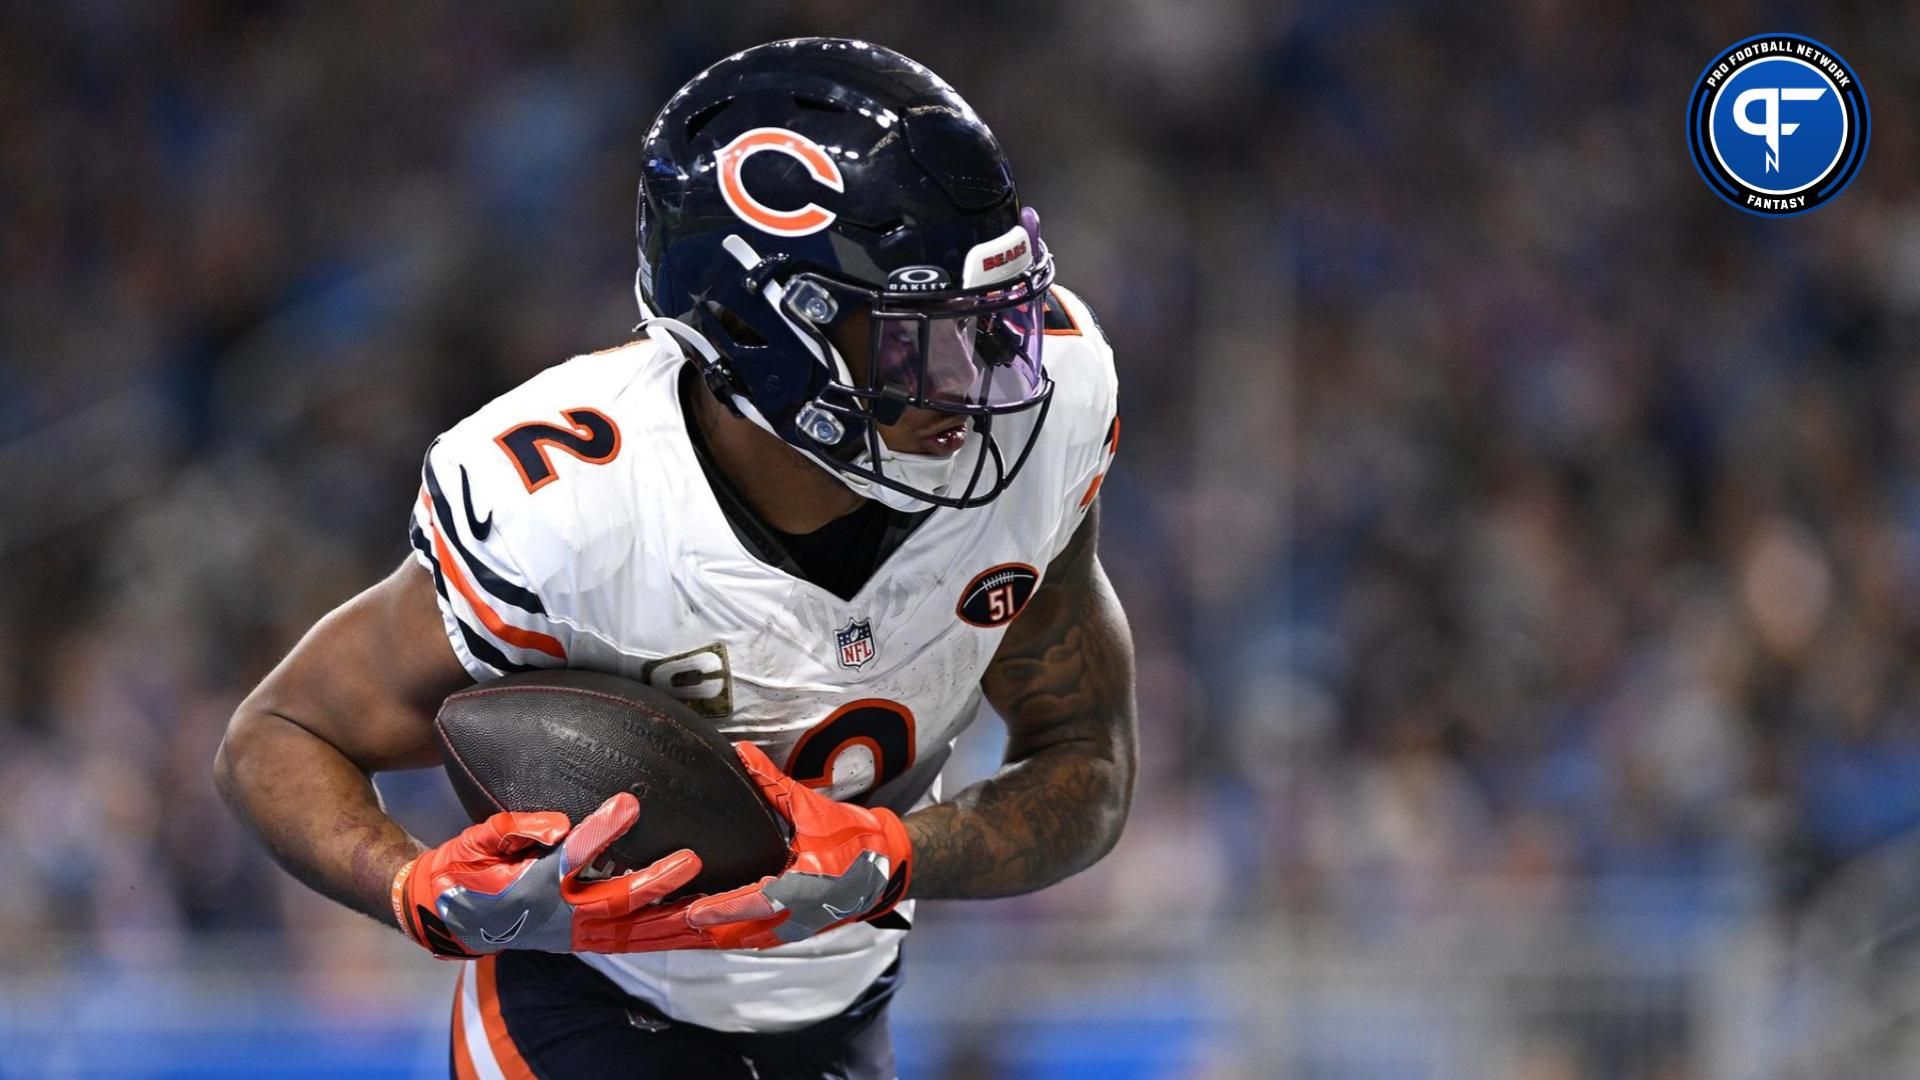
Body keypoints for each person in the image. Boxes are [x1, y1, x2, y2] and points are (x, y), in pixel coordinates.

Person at [215, 37, 1136, 1079]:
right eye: (922, 337)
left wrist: (896, 854)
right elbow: (278, 731)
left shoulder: (1048, 414)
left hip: (845, 1015)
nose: (987, 380)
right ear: (767, 331)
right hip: (580, 1018)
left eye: (995, 323)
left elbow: (1087, 766)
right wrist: (415, 886)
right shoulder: (570, 505)